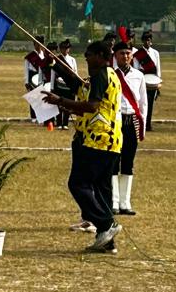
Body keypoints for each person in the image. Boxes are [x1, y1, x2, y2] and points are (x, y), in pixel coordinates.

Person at [44, 40, 123, 254]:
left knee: (78, 184)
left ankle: (106, 224)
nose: (86, 58)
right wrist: (55, 64)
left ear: (101, 56)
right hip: (110, 142)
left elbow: (91, 105)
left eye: (89, 55)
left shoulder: (101, 75)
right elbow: (79, 87)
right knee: (101, 190)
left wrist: (60, 100)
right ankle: (106, 241)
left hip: (97, 140)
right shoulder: (106, 76)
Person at [111, 40, 147, 216]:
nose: (125, 56)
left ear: (132, 56)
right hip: (115, 121)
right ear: (115, 56)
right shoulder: (110, 74)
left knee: (128, 162)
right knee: (113, 162)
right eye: (121, 53)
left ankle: (125, 202)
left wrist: (142, 126)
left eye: (128, 53)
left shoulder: (139, 75)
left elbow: (143, 103)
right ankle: (114, 201)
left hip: (132, 121)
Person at [134, 30, 161, 132]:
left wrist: (158, 82)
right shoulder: (138, 54)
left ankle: (148, 124)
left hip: (153, 81)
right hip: (143, 81)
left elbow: (158, 68)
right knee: (142, 103)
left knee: (150, 104)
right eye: (145, 40)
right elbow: (136, 69)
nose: (147, 42)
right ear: (142, 41)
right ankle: (142, 124)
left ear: (151, 41)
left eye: (149, 40)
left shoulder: (155, 53)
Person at [23, 37, 51, 121]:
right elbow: (26, 70)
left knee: (43, 97)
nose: (39, 46)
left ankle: (42, 115)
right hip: (32, 76)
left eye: (40, 44)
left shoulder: (44, 55)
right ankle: (33, 116)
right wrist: (26, 81)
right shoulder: (30, 56)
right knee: (34, 97)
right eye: (37, 44)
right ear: (34, 45)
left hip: (43, 77)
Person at [52, 40, 78, 129]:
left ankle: (65, 123)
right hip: (59, 85)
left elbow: (75, 73)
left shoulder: (72, 60)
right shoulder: (57, 59)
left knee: (68, 104)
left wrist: (75, 86)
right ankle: (59, 122)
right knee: (59, 103)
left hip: (69, 85)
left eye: (67, 48)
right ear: (60, 49)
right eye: (63, 48)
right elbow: (53, 73)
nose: (65, 50)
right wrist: (52, 86)